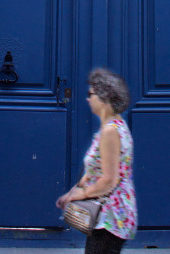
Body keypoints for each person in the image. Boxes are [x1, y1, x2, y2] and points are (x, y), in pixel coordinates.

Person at [56, 68, 137, 254]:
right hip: (108, 213)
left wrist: (81, 194)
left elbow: (109, 180)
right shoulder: (111, 127)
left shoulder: (110, 132)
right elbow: (94, 170)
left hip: (111, 215)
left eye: (90, 94)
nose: (87, 98)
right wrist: (72, 192)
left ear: (105, 98)